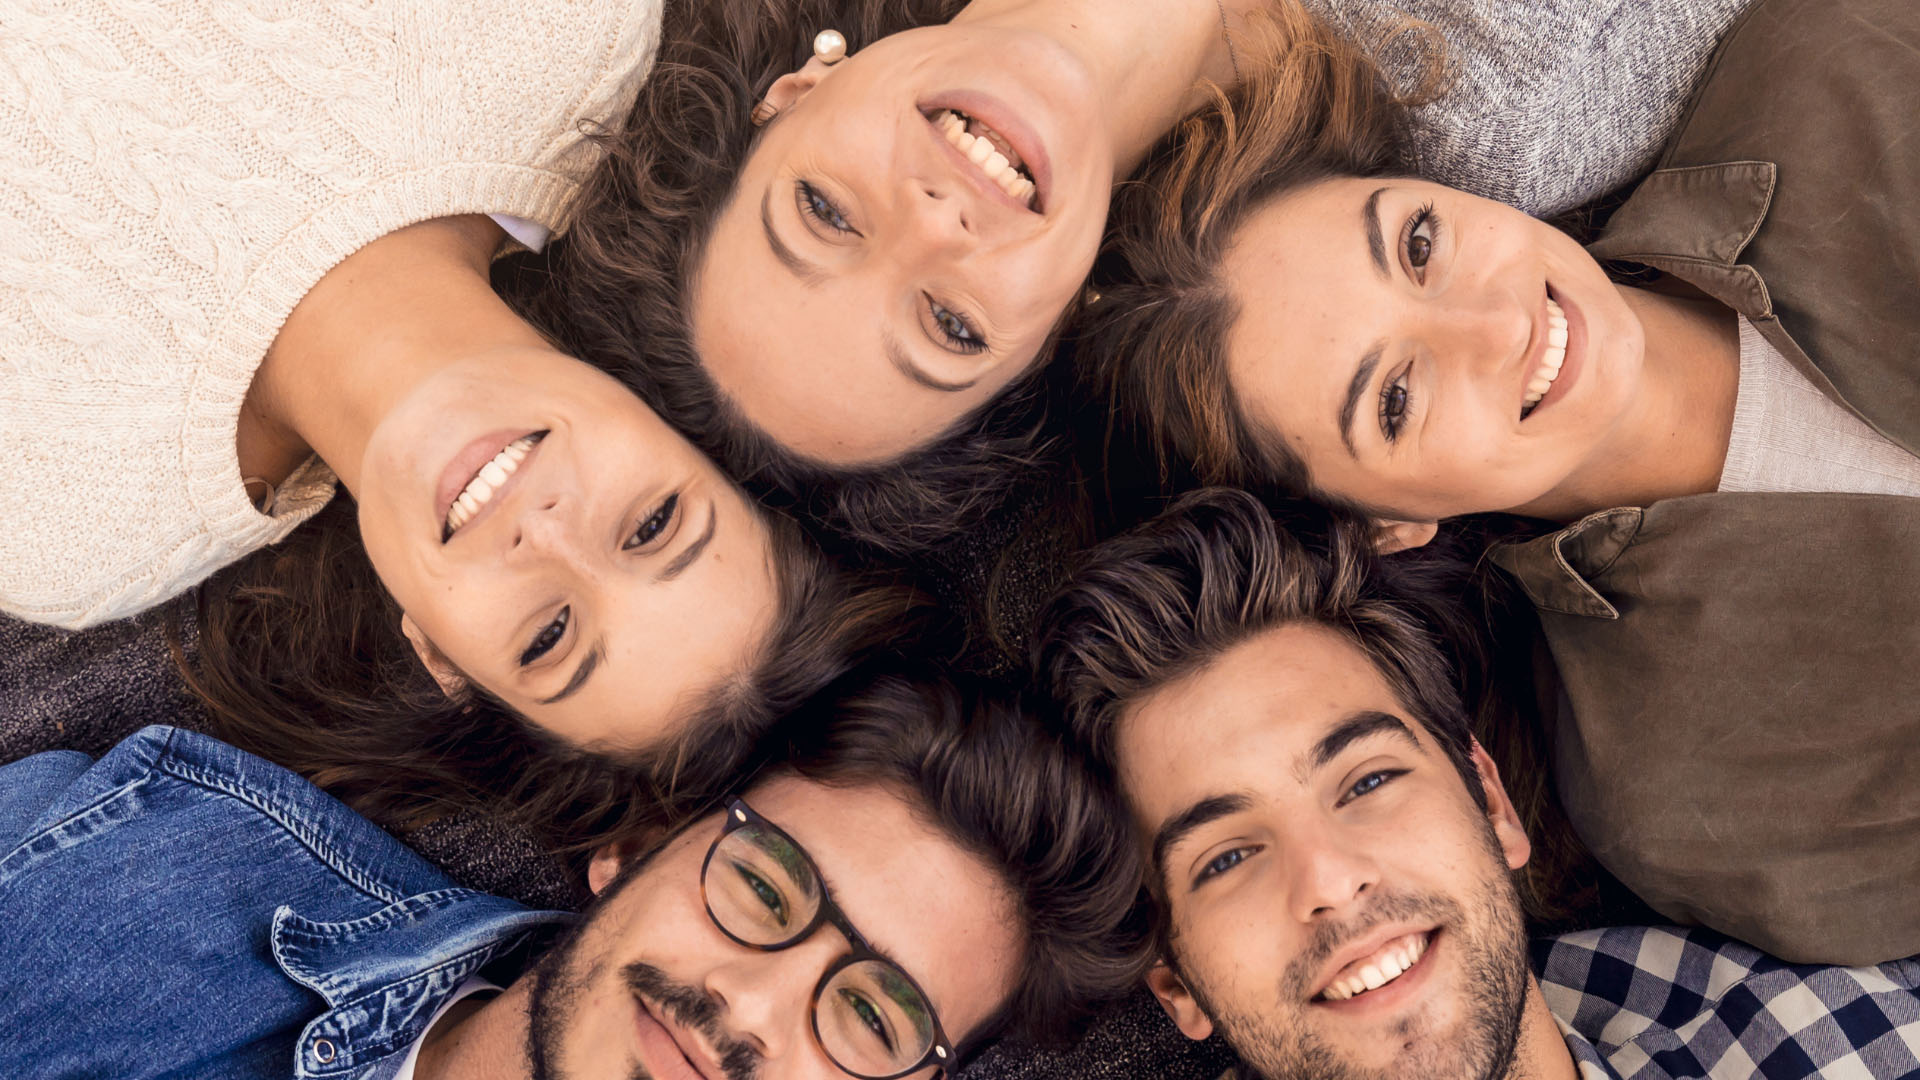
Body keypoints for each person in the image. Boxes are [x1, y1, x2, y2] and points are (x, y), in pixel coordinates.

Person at [1077, 0, 1920, 965]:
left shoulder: (1831, 74)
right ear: (1384, 525)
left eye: (1419, 245)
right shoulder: (1683, 789)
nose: (1496, 326)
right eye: (1394, 398)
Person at [0, 2, 908, 778]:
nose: (544, 534)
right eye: (652, 525)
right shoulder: (550, 32)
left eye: (549, 638)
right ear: (678, 414)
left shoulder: (64, 529)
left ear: (440, 654)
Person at [520, 0, 1750, 554]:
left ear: (795, 90)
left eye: (827, 213)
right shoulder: (1479, 136)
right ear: (1042, 335)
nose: (939, 220)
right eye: (947, 322)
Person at [1033, 489, 1920, 1080]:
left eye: (1368, 778)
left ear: (1492, 805)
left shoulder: (1828, 1035)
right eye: (1225, 859)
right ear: (1177, 986)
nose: (1332, 881)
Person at [0, 674, 1149, 1079]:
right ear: (638, 847)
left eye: (868, 1013)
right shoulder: (152, 858)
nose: (747, 1010)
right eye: (764, 889)